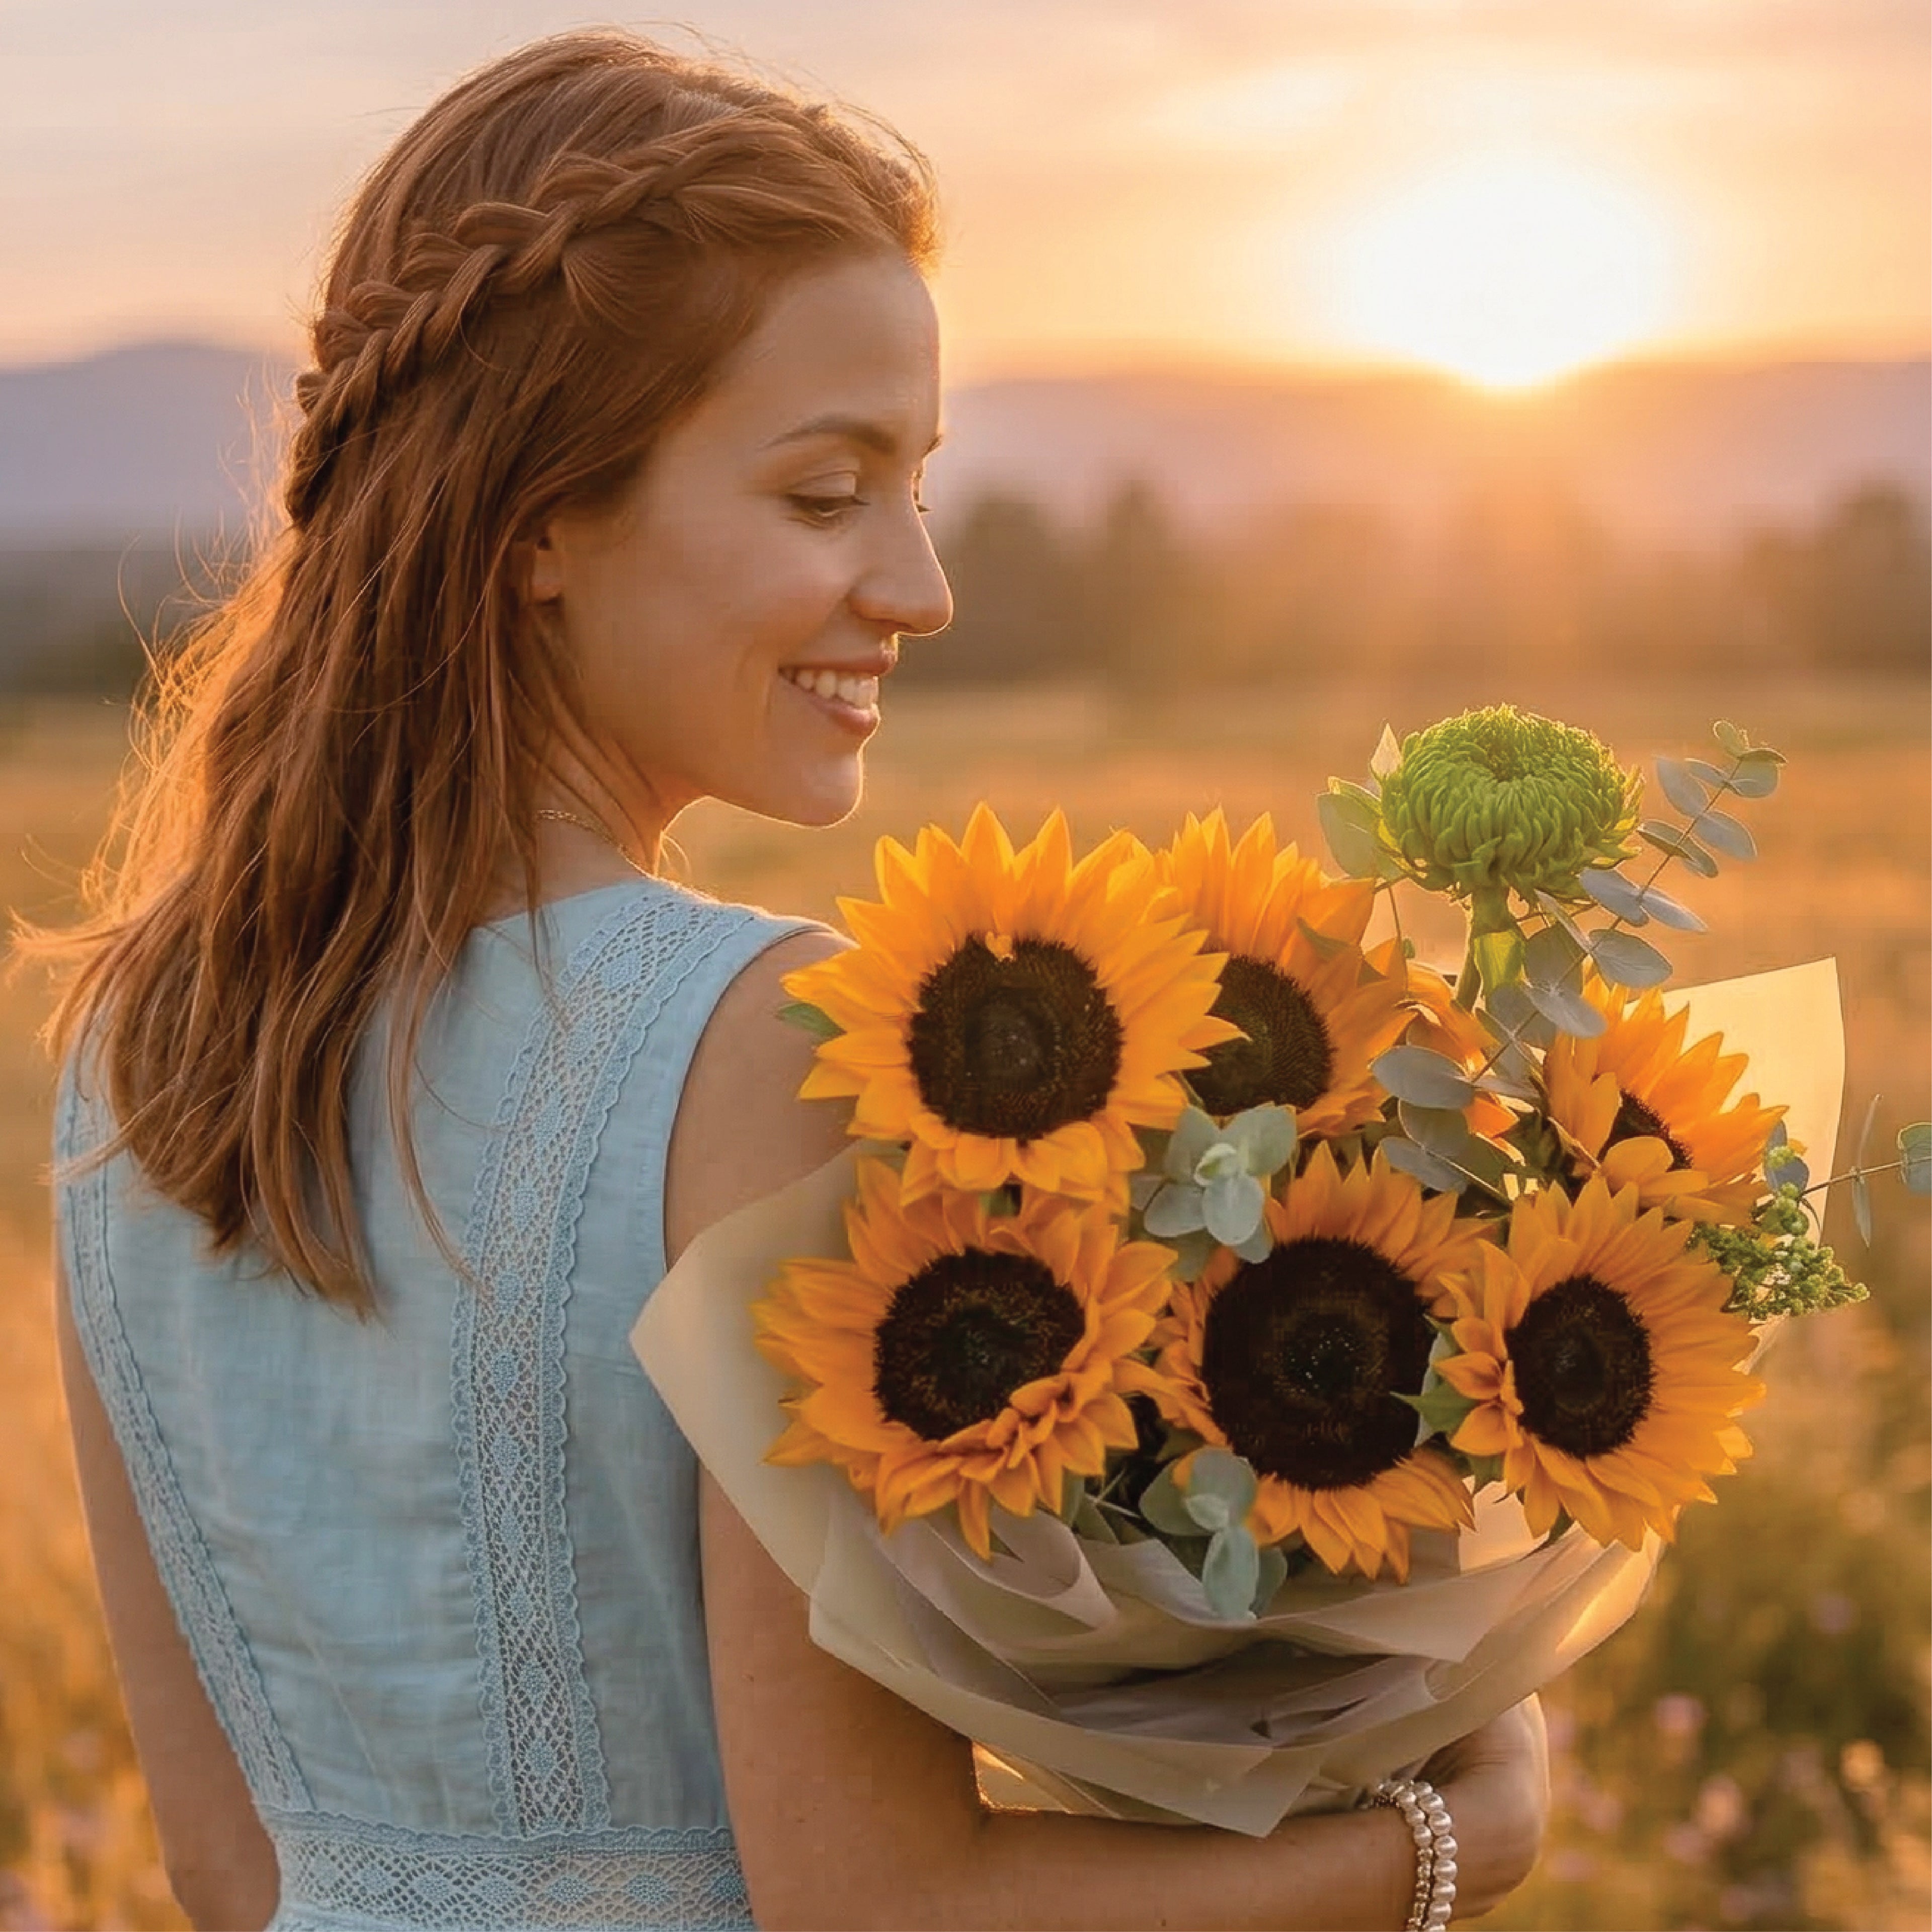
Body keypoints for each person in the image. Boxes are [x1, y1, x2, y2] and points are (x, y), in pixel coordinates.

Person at [39, 31, 1549, 1931]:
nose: (918, 585)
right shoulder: (751, 1043)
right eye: (827, 497)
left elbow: (227, 1863)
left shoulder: (137, 1045)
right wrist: (1438, 1846)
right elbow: (876, 1902)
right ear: (539, 533)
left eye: (915, 486)